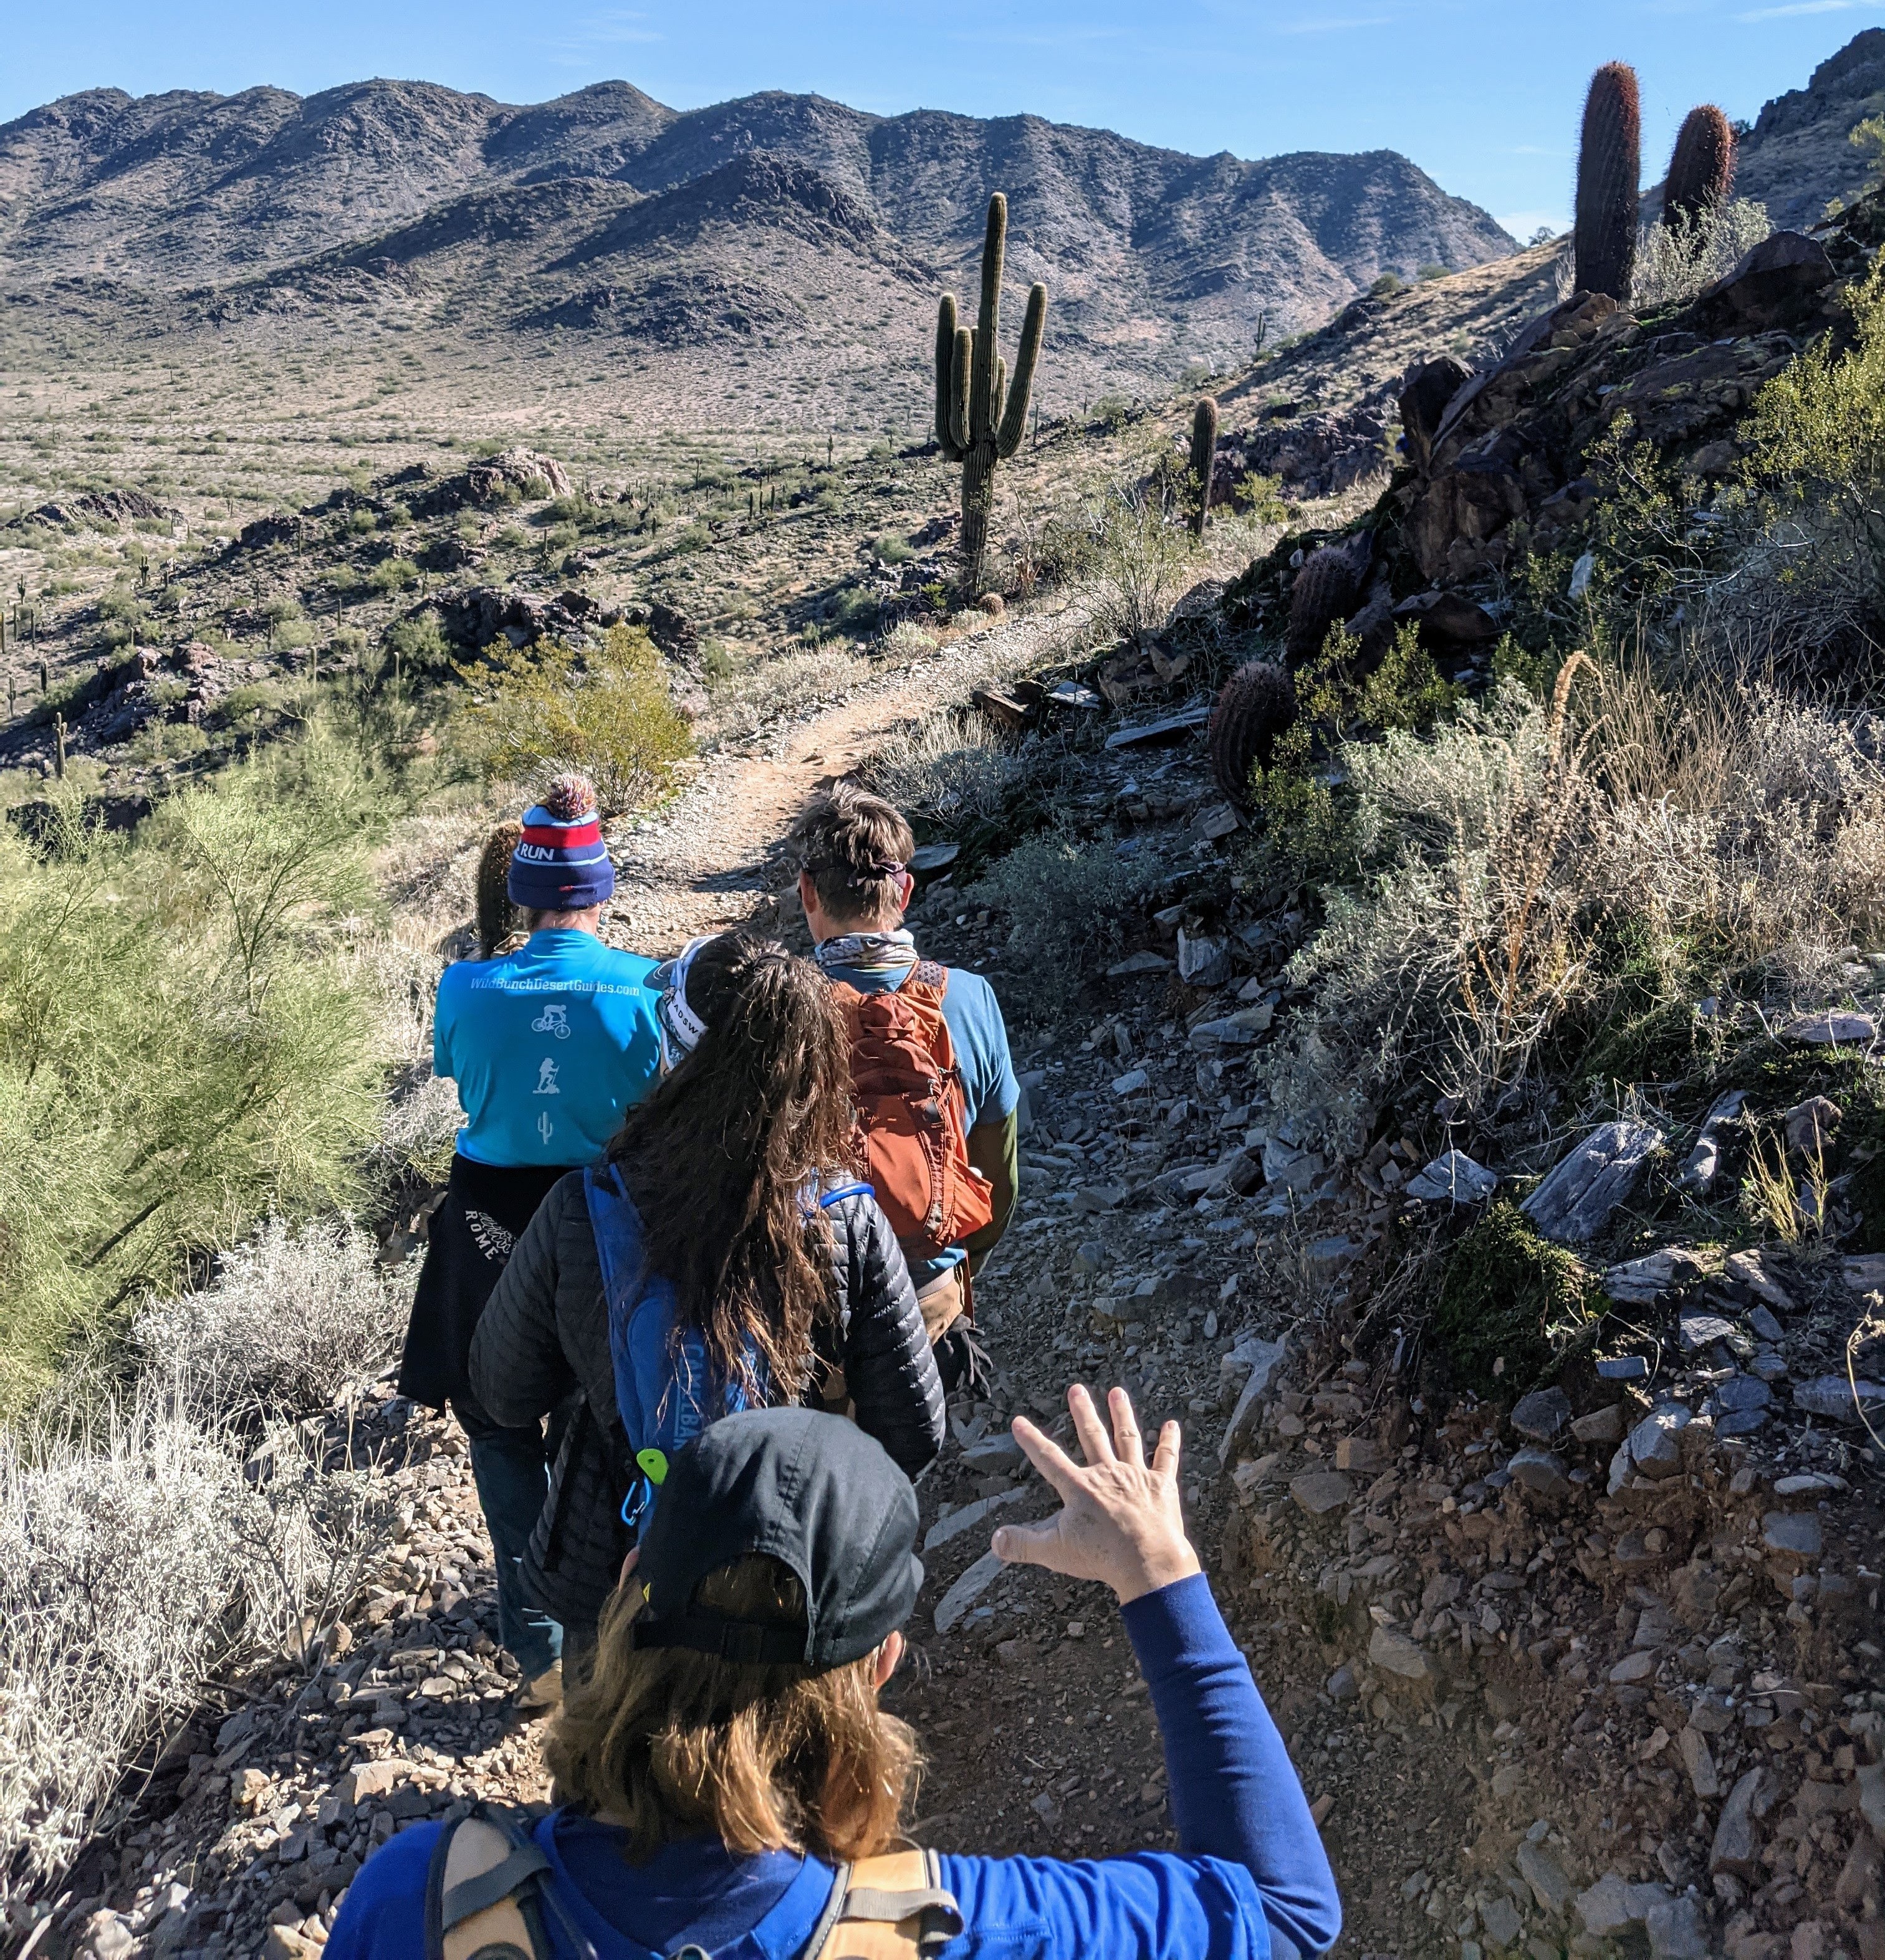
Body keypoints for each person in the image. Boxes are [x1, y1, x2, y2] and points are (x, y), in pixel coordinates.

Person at [327, 1385, 1343, 1960]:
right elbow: (1283, 1911)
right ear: (879, 1666)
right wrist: (1158, 1571)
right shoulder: (947, 1931)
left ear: (631, 1583)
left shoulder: (421, 1899)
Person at [465, 929, 945, 1663]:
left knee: (609, 1765)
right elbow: (913, 1427)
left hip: (619, 1566)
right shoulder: (846, 1218)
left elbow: (502, 1392)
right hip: (791, 1579)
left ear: (674, 1059)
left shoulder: (582, 1210)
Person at [398, 773, 661, 1711]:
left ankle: (539, 1651)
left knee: (499, 1425)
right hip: (605, 1220)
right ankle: (621, 1632)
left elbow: (465, 1084)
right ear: (603, 890)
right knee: (614, 1419)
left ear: (522, 890)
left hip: (488, 1229)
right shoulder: (646, 990)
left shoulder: (465, 987)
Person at [788, 783, 1019, 1389]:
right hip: (929, 1304)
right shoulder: (970, 998)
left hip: (811, 1312)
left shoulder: (775, 1012)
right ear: (906, 890)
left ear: (808, 890)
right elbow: (1000, 1180)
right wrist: (949, 1266)